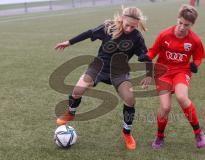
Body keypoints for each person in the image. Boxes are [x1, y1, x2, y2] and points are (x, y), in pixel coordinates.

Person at [54, 6, 152, 150]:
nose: (130, 29)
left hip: (119, 71)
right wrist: (68, 42)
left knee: (130, 100)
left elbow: (146, 55)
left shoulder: (136, 37)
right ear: (122, 19)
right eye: (127, 25)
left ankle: (127, 133)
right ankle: (71, 113)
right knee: (77, 90)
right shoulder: (108, 27)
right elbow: (89, 33)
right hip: (99, 66)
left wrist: (149, 73)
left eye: (134, 26)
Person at [146, 4, 205, 149]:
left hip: (181, 72)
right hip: (163, 73)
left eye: (186, 25)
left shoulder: (195, 40)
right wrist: (146, 56)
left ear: (192, 25)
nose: (182, 27)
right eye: (180, 23)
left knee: (181, 97)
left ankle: (198, 132)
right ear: (177, 19)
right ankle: (160, 137)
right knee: (165, 107)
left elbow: (198, 57)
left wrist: (195, 65)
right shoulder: (164, 34)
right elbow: (153, 51)